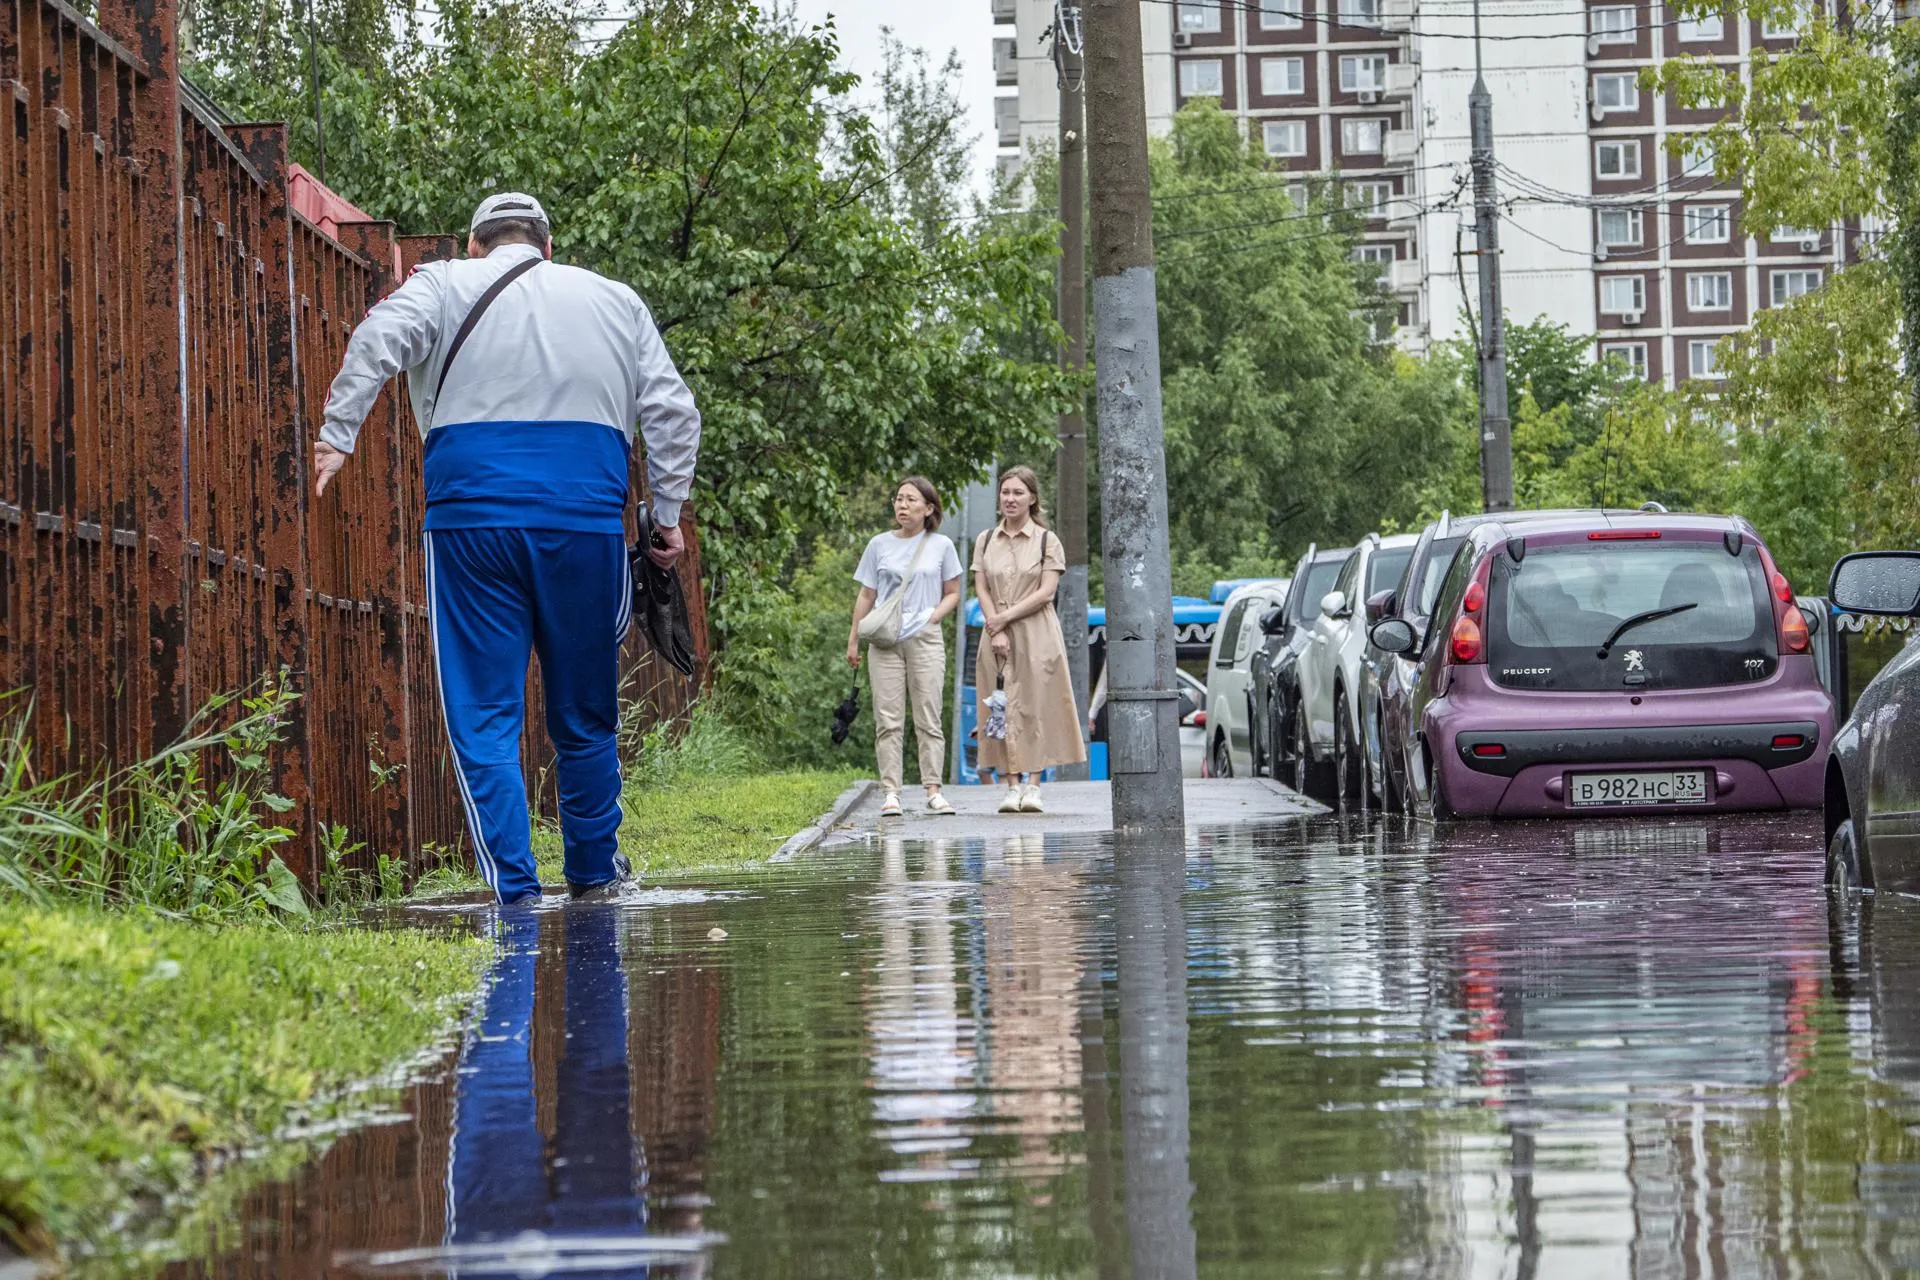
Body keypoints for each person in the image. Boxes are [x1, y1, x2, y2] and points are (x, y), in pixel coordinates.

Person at [312, 193, 701, 906]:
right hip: (584, 522)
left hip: (472, 521)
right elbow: (673, 413)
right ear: (548, 247)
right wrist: (666, 515)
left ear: (473, 245)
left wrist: (339, 434)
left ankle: (514, 892)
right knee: (585, 715)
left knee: (484, 716)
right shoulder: (614, 299)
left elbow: (375, 342)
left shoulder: (439, 283)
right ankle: (592, 875)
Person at [973, 466, 1087, 814]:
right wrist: (997, 627)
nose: (1010, 499)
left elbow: (1046, 592)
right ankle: (1010, 783)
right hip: (995, 633)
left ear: (1032, 498)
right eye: (1005, 492)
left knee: (1037, 704)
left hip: (1035, 630)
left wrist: (1004, 619)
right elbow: (981, 585)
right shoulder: (986, 539)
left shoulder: (1045, 540)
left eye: (1018, 493)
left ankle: (1034, 784)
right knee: (1000, 706)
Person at [848, 478, 963, 818]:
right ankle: (891, 792)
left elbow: (953, 591)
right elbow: (867, 594)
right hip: (885, 640)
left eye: (911, 499)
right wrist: (853, 637)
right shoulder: (879, 544)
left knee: (928, 715)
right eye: (898, 499)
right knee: (888, 719)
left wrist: (932, 618)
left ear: (928, 508)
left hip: (925, 639)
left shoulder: (941, 545)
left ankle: (933, 789)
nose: (902, 505)